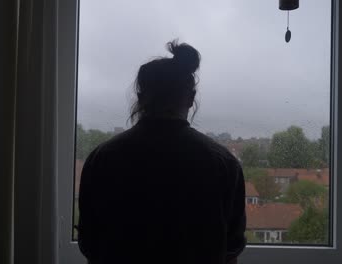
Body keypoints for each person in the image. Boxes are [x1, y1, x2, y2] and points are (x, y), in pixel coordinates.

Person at [77, 40, 246, 264]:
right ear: (190, 98)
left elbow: (91, 245)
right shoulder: (223, 163)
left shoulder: (102, 158)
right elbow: (230, 251)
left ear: (141, 97)